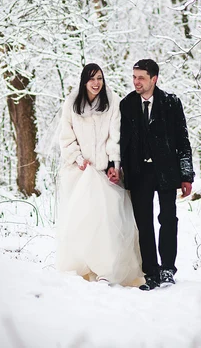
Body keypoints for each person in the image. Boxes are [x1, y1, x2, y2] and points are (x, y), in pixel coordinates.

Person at [57, 63, 143, 286]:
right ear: (84, 81)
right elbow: (66, 137)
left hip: (105, 172)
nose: (96, 83)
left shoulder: (112, 101)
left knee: (110, 219)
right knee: (83, 220)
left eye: (100, 79)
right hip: (80, 171)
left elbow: (115, 136)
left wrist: (114, 163)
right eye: (92, 79)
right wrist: (77, 158)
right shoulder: (72, 103)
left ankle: (107, 270)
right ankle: (83, 267)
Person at [119, 59, 195, 291]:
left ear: (154, 78)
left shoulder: (171, 103)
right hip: (139, 173)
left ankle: (167, 269)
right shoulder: (126, 104)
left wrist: (186, 175)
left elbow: (183, 141)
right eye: (134, 77)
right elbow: (120, 141)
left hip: (166, 171)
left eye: (141, 77)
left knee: (168, 220)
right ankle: (151, 272)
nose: (136, 82)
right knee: (144, 224)